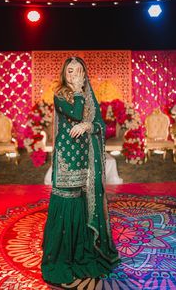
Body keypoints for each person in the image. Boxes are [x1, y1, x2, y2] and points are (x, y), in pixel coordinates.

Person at [41, 56, 121, 289]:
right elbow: (76, 114)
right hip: (67, 162)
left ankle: (83, 251)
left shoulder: (90, 96)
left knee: (83, 207)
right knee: (67, 205)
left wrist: (90, 126)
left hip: (86, 162)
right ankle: (61, 256)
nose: (74, 75)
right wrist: (76, 91)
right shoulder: (61, 95)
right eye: (69, 71)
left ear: (85, 74)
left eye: (78, 71)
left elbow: (100, 125)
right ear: (64, 75)